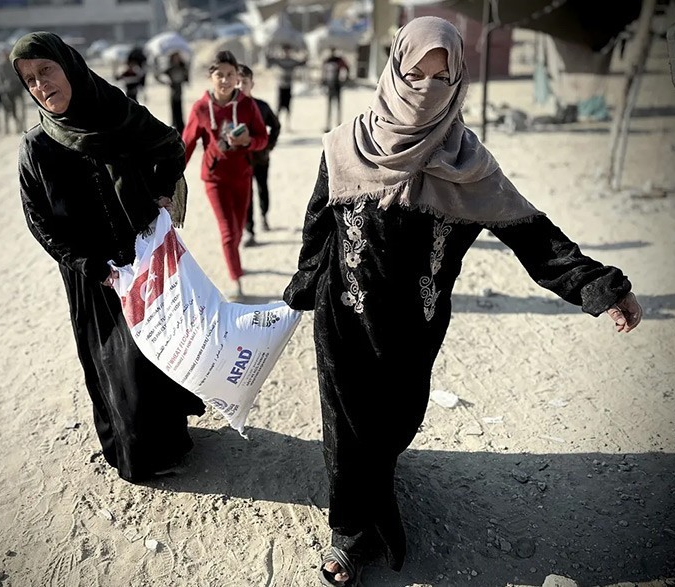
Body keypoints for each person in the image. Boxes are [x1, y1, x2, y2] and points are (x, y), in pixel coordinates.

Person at [282, 17, 643, 586]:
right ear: (394, 70)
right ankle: (348, 535)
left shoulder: (469, 166)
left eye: (441, 76)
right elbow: (319, 221)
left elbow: (534, 236)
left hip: (414, 326)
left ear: (458, 81)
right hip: (343, 315)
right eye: (415, 74)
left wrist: (600, 288)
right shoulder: (345, 144)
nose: (426, 88)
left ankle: (375, 481)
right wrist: (303, 283)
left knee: (394, 421)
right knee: (348, 429)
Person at [10, 31, 206, 484]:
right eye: (31, 79)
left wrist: (161, 192)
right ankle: (135, 452)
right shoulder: (35, 147)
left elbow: (170, 146)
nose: (41, 85)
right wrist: (88, 265)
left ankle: (172, 440)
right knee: (116, 365)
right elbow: (39, 220)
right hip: (93, 275)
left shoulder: (116, 111)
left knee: (155, 353)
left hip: (140, 259)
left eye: (47, 71)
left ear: (69, 67)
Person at [182, 51, 268, 299]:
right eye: (220, 74)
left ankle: (234, 261)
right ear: (211, 77)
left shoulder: (247, 105)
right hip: (214, 179)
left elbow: (262, 139)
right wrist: (172, 176)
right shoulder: (200, 108)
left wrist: (248, 140)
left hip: (242, 175)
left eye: (230, 74)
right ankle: (237, 281)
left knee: (239, 229)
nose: (225, 80)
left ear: (236, 77)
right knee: (228, 231)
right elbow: (186, 146)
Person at [237, 64, 281, 247]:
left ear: (251, 84)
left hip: (261, 158)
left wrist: (269, 146)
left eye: (244, 82)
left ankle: (264, 216)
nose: (240, 86)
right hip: (241, 161)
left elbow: (276, 126)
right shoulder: (230, 109)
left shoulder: (262, 106)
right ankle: (249, 230)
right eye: (237, 82)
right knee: (247, 194)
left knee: (262, 188)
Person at [268, 44, 307, 132]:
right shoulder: (279, 60)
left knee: (288, 107)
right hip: (281, 86)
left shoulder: (292, 61)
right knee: (279, 107)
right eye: (285, 51)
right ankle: (276, 125)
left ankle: (287, 126)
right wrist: (269, 51)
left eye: (287, 51)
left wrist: (305, 53)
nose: (286, 53)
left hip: (289, 86)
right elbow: (269, 61)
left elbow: (302, 63)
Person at [0, 46, 26, 134]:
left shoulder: (14, 62)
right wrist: (2, 90)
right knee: (8, 110)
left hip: (18, 89)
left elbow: (20, 75)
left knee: (21, 109)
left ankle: (21, 126)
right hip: (7, 91)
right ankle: (7, 128)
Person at [156, 51, 190, 135]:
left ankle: (181, 127)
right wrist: (166, 81)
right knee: (174, 109)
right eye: (175, 57)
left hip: (179, 89)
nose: (177, 59)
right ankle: (175, 127)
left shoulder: (182, 67)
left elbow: (186, 78)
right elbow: (159, 75)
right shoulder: (170, 68)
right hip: (173, 89)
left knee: (179, 109)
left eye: (178, 57)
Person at [321, 47, 350, 132]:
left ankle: (338, 124)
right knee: (329, 106)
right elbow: (323, 71)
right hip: (330, 85)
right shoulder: (327, 60)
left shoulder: (339, 60)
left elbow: (347, 67)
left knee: (337, 105)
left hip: (337, 84)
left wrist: (345, 79)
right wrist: (323, 81)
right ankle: (328, 125)